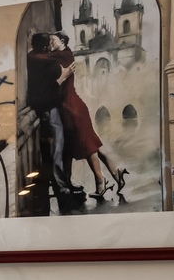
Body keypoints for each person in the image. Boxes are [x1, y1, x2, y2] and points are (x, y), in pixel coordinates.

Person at [51, 32, 128, 200]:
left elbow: (40, 57)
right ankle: (116, 173)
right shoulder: (65, 53)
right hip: (74, 107)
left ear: (62, 41)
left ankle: (101, 180)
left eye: (52, 40)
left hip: (73, 109)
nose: (50, 44)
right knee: (92, 144)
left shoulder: (63, 55)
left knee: (88, 146)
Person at [24, 33, 72, 196]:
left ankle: (57, 184)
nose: (52, 46)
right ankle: (61, 187)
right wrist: (63, 76)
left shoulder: (31, 57)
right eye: (50, 43)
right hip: (50, 109)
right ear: (45, 47)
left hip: (40, 110)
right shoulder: (48, 63)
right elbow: (50, 87)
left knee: (49, 150)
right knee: (57, 148)